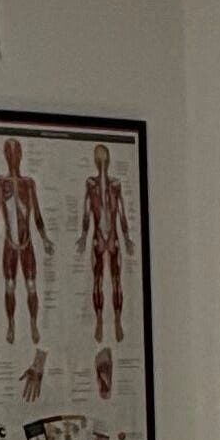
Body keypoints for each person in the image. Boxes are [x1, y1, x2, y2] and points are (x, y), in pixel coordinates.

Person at [0, 136, 50, 344]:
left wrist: (44, 239)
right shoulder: (1, 183)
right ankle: (11, 323)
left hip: (27, 244)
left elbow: (37, 215)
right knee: (9, 285)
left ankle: (33, 323)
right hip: (10, 243)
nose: (13, 157)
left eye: (16, 152)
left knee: (31, 285)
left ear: (20, 155)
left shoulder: (29, 183)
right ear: (5, 156)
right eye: (9, 153)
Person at [79, 141, 133, 342]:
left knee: (117, 280)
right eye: (98, 158)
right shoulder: (90, 183)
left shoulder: (115, 184)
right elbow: (86, 209)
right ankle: (100, 319)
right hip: (98, 237)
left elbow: (120, 211)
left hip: (113, 236)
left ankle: (118, 320)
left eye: (104, 158)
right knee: (98, 280)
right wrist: (84, 235)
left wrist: (126, 237)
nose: (102, 162)